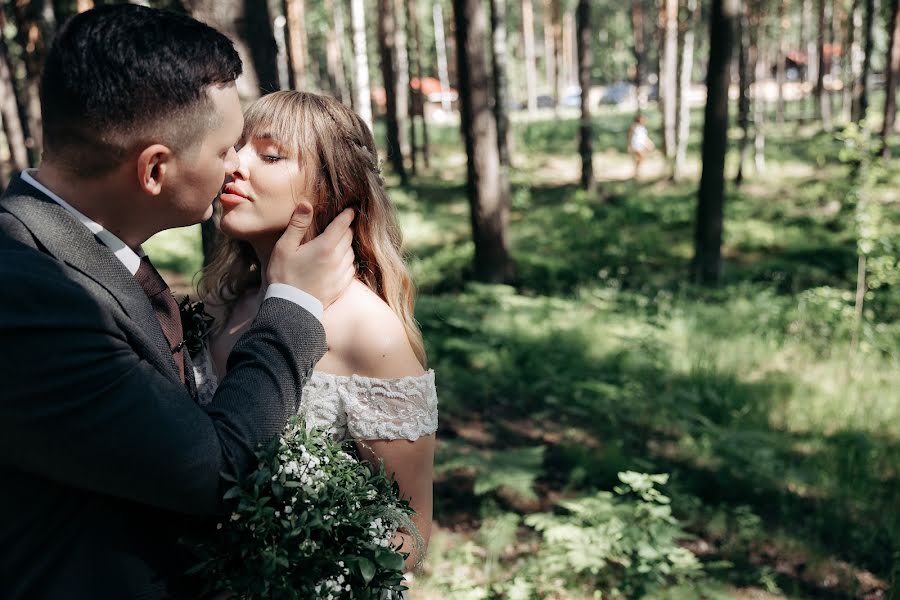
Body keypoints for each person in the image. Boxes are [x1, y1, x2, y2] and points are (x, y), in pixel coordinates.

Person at [0, 6, 356, 599]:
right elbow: (213, 470)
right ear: (155, 169)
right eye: (223, 151)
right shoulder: (27, 296)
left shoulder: (86, 252)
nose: (233, 166)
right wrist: (294, 302)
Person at [198, 91, 437, 570]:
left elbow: (409, 534)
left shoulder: (369, 333)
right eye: (234, 147)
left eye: (269, 154)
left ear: (332, 189)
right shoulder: (221, 304)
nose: (234, 166)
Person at [627, 113, 655, 180]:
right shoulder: (634, 127)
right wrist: (629, 145)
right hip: (635, 145)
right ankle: (636, 172)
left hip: (641, 145)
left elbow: (644, 137)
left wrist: (649, 143)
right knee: (640, 157)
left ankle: (636, 172)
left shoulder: (643, 128)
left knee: (641, 158)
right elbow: (630, 136)